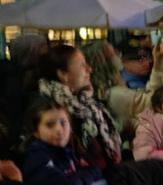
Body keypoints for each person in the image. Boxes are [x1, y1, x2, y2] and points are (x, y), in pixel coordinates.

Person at [37, 44, 123, 172]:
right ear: (63, 74)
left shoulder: (85, 103)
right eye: (82, 65)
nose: (90, 69)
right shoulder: (53, 111)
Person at [81, 37, 163, 137]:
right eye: (114, 54)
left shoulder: (111, 89)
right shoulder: (113, 94)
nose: (118, 55)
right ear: (104, 63)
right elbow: (158, 105)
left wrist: (159, 62)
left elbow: (151, 96)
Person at [21, 98, 102, 185]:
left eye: (63, 123)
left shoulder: (71, 149)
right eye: (50, 125)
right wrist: (90, 174)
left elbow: (97, 172)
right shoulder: (36, 157)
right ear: (36, 132)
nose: (59, 129)